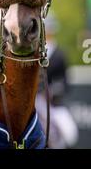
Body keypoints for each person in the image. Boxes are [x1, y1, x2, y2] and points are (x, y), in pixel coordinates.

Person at [36, 13, 79, 148]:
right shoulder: (34, 53)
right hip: (35, 100)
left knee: (69, 132)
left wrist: (55, 91)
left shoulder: (60, 54)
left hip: (53, 103)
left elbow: (65, 81)